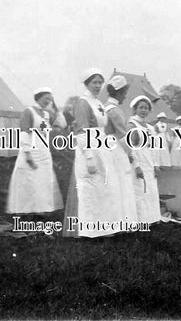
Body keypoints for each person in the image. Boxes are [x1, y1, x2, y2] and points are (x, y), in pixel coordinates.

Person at [63, 68, 124, 238]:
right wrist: (89, 157)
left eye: (100, 82)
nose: (98, 86)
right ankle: (89, 230)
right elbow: (81, 132)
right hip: (89, 149)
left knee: (105, 188)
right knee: (90, 189)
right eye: (94, 82)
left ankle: (104, 227)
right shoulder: (83, 103)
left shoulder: (98, 102)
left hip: (102, 147)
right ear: (86, 84)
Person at [6, 87, 63, 217]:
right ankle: (26, 208)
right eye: (46, 98)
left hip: (43, 151)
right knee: (29, 179)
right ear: (38, 97)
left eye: (50, 99)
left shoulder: (47, 114)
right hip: (31, 150)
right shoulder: (29, 111)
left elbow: (58, 126)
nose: (48, 101)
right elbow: (24, 132)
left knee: (43, 179)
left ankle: (41, 207)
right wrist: (27, 154)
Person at [104, 75, 138, 224]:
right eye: (124, 92)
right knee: (121, 183)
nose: (125, 96)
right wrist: (131, 154)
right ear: (118, 92)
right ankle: (122, 220)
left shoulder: (104, 106)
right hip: (115, 148)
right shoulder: (115, 110)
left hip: (106, 146)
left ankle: (114, 219)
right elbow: (122, 136)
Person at [127, 95, 161, 224]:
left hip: (149, 162)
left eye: (146, 108)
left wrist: (156, 165)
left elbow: (154, 148)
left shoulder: (150, 127)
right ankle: (140, 220)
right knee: (140, 191)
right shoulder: (132, 125)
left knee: (151, 191)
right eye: (141, 107)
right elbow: (130, 148)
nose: (143, 110)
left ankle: (151, 219)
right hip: (138, 161)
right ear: (135, 109)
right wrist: (136, 166)